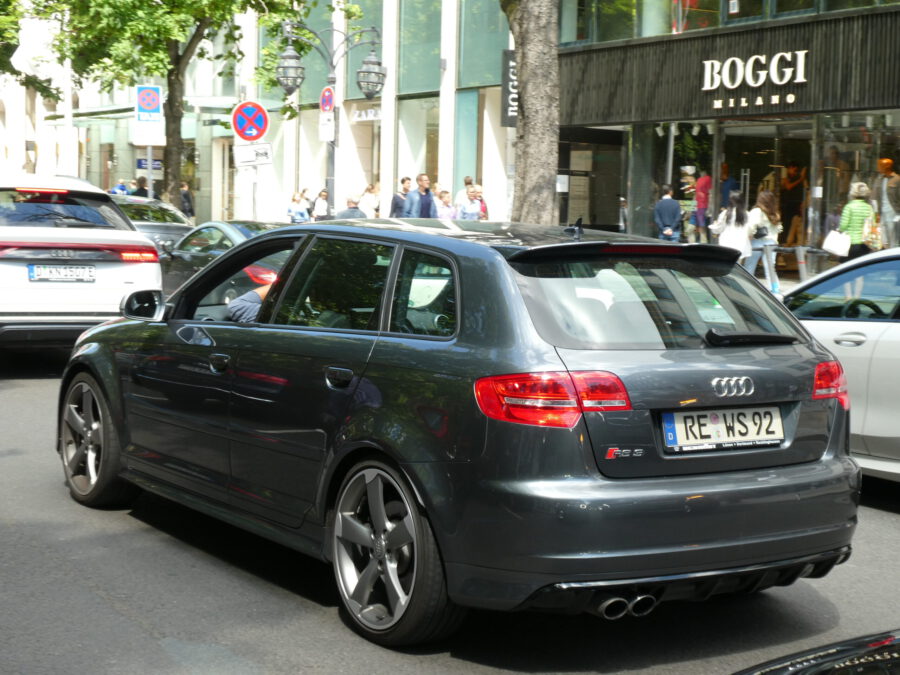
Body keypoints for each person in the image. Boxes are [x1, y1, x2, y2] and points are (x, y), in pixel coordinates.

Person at [743, 190, 782, 293]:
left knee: (749, 266)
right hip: (772, 242)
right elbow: (778, 229)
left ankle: (746, 288)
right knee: (770, 268)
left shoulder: (757, 211)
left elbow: (750, 227)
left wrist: (748, 236)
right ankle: (775, 289)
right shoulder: (775, 213)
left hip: (757, 241)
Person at [710, 191, 751, 263]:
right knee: (737, 268)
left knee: (726, 267)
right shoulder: (747, 214)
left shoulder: (725, 214)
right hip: (741, 245)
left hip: (726, 244)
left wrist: (714, 225)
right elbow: (750, 230)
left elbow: (718, 229)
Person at [839, 182, 875, 261]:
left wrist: (839, 230)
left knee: (846, 268)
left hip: (849, 244)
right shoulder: (869, 208)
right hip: (865, 245)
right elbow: (873, 225)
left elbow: (843, 226)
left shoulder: (848, 207)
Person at [874, 158, 900, 249]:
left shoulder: (897, 179)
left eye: (880, 165)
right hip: (882, 212)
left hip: (893, 212)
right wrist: (876, 212)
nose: (878, 168)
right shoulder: (879, 179)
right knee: (883, 238)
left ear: (887, 166)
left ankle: (892, 257)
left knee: (893, 238)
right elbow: (876, 196)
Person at [780, 161, 807, 246]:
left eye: (796, 171)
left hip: (797, 204)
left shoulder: (798, 178)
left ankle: (793, 241)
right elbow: (788, 187)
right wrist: (800, 179)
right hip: (788, 204)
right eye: (793, 170)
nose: (794, 172)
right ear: (790, 168)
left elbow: (806, 188)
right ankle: (785, 241)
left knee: (796, 225)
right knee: (787, 224)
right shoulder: (786, 177)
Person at [693, 169, 711, 243]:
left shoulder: (707, 179)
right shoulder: (700, 179)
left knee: (701, 224)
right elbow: (696, 194)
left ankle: (703, 241)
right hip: (700, 205)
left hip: (702, 205)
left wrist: (710, 206)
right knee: (700, 224)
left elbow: (710, 193)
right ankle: (702, 240)